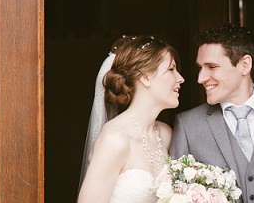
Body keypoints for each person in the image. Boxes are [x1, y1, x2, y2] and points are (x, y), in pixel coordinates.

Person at [170, 24, 254, 203]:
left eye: (212, 67)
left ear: (244, 65)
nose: (200, 78)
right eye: (200, 68)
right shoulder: (188, 126)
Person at [78, 35, 185, 203]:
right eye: (171, 69)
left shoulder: (165, 134)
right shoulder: (115, 138)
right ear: (145, 77)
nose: (180, 79)